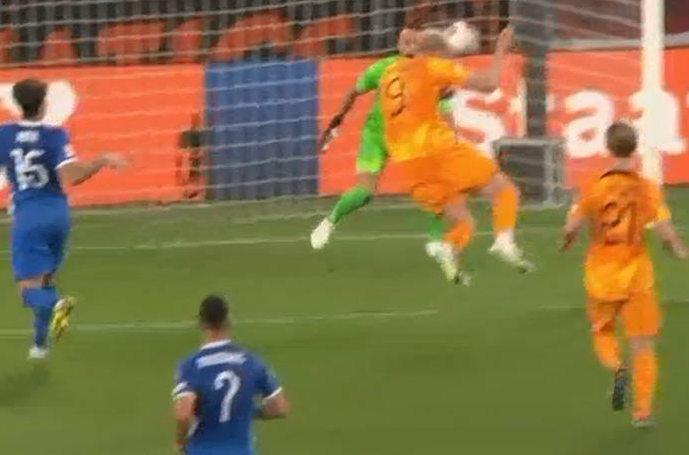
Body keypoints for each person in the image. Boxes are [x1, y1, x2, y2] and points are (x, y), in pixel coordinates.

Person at [0, 78, 129, 360]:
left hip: (28, 216)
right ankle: (39, 346)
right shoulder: (55, 135)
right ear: (43, 104)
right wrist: (101, 160)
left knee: (28, 290)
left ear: (17, 103)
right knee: (46, 279)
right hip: (58, 214)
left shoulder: (3, 134)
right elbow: (72, 176)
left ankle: (56, 304)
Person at [560, 121, 689, 429]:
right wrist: (677, 248)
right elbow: (664, 230)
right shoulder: (646, 188)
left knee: (602, 331)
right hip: (637, 277)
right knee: (643, 346)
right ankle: (642, 411)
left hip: (601, 277)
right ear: (635, 149)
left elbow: (572, 225)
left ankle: (616, 366)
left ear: (608, 148)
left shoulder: (592, 185)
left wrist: (566, 241)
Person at [378, 26, 532, 283]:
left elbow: (419, 90)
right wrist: (500, 51)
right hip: (438, 150)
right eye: (447, 56)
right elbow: (489, 84)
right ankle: (504, 242)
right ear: (438, 54)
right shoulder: (433, 66)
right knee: (506, 191)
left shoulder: (390, 72)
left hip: (407, 161)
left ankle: (447, 247)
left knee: (464, 223)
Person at [311, 28, 445, 254]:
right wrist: (337, 121)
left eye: (412, 40)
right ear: (400, 46)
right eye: (404, 39)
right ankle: (330, 221)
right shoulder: (382, 68)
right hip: (376, 137)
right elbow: (354, 92)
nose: (408, 42)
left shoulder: (431, 71)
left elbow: (441, 98)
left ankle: (436, 239)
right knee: (364, 193)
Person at [172, 295, 289, 455]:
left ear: (201, 323)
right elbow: (280, 407)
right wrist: (249, 412)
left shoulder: (191, 364)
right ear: (228, 321)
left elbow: (184, 414)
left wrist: (180, 442)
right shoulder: (251, 360)